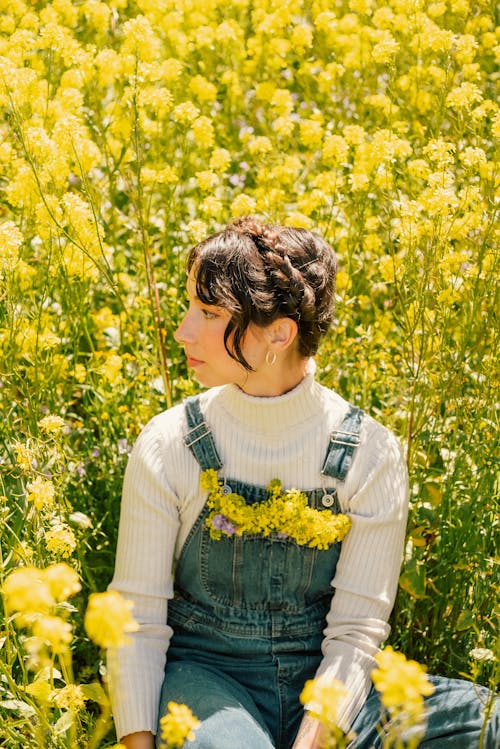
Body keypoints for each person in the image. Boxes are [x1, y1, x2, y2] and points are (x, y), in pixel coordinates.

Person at [107, 217, 498, 749]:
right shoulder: (169, 441)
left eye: (208, 312)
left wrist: (314, 740)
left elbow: (355, 635)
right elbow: (138, 621)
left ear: (279, 334)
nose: (182, 330)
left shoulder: (370, 453)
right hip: (209, 682)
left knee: (486, 722)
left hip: (334, 689)